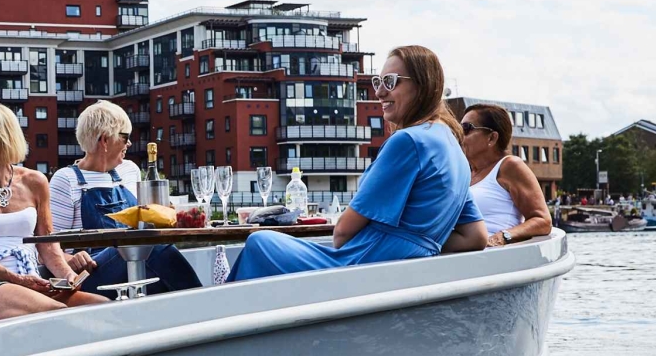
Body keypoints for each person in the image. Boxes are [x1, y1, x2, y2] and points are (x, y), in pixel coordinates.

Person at [227, 45, 486, 281]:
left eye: (390, 82)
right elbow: (476, 237)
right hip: (402, 269)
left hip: (364, 266)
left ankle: (224, 322)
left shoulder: (408, 141)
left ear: (423, 85)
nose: (379, 91)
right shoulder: (456, 151)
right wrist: (422, 240)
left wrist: (398, 238)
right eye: (378, 81)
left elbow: (342, 234)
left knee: (260, 242)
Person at [0, 102, 107, 326]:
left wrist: (67, 275)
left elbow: (48, 244)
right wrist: (17, 280)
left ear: (4, 137)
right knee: (57, 315)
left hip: (31, 281)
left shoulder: (36, 182)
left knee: (103, 307)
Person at [48, 99, 203, 295]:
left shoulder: (130, 171)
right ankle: (206, 305)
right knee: (144, 243)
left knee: (145, 246)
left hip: (135, 263)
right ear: (105, 140)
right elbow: (47, 246)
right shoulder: (66, 179)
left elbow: (144, 220)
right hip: (92, 273)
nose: (129, 143)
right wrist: (70, 259)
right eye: (124, 136)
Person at [459, 103, 553, 246]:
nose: (460, 136)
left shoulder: (510, 166)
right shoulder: (465, 173)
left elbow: (543, 221)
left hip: (493, 256)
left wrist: (504, 236)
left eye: (466, 129)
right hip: (461, 254)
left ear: (492, 138)